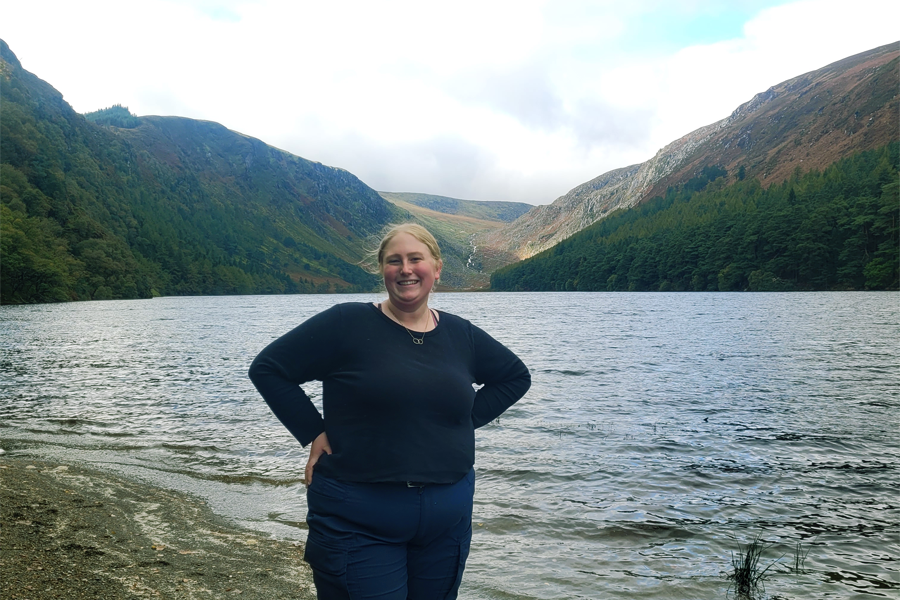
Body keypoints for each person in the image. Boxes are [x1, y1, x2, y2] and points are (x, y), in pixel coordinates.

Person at [248, 223, 531, 599]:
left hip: (447, 521)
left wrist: (461, 422)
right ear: (382, 270)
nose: (406, 269)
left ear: (437, 268)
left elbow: (515, 376)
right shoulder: (346, 323)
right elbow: (269, 370)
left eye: (416, 259)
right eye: (394, 261)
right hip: (358, 517)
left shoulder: (462, 335)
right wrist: (313, 431)